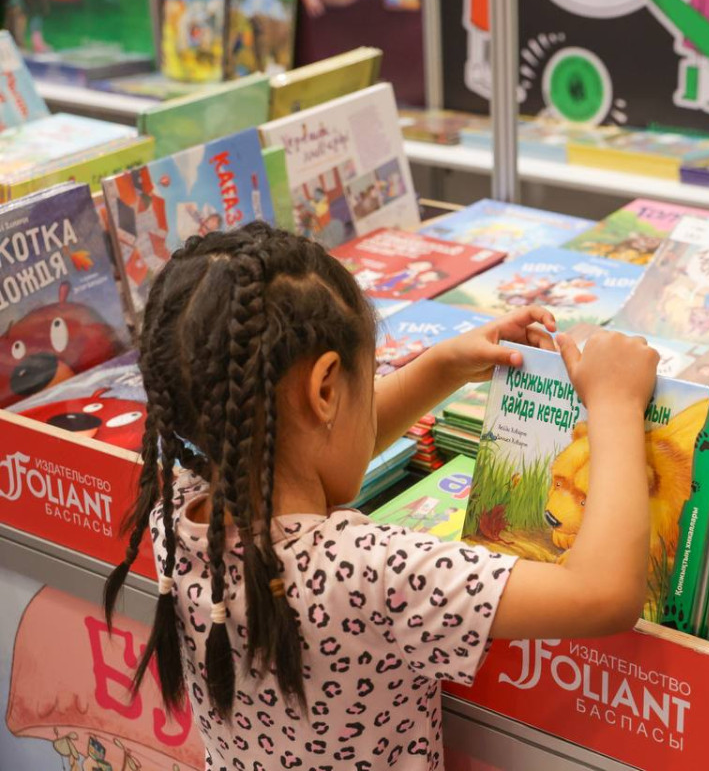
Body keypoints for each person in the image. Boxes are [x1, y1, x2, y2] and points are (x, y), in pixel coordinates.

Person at [102, 223, 660, 769]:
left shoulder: (176, 518)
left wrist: (440, 367)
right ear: (325, 389)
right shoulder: (372, 572)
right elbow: (602, 594)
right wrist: (615, 404)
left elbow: (313, 451)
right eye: (368, 380)